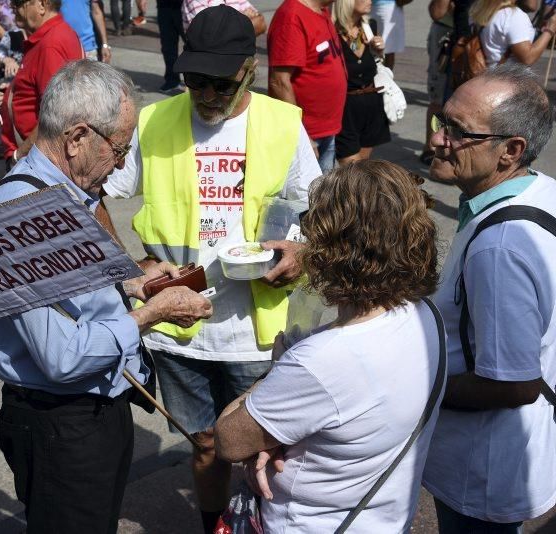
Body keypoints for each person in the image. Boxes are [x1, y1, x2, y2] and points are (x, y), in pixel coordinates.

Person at [103, 7, 321, 533]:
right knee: (203, 444)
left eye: (219, 83)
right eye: (194, 80)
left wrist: (303, 254)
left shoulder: (282, 124)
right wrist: (122, 266)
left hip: (255, 328)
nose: (206, 95)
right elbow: (95, 194)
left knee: (266, 449)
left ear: (249, 67)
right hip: (178, 330)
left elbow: (319, 209)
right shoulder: (155, 122)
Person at [0, 59, 213, 533]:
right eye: (119, 149)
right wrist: (152, 313)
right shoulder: (24, 216)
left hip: (97, 408)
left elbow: (73, 287)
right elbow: (62, 357)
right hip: (61, 426)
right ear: (76, 138)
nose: (124, 163)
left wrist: (133, 282)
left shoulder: (66, 193)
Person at [216, 160, 442, 532]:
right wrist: (279, 428)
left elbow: (228, 439)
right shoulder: (424, 315)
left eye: (310, 228)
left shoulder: (323, 359)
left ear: (331, 246)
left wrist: (275, 378)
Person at [422, 63, 556, 532]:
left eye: (459, 132)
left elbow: (512, 384)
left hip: (481, 475)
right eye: (442, 121)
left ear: (511, 151)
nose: (438, 138)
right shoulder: (543, 191)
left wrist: (413, 388)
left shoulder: (500, 249)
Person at [0, 0, 82, 165]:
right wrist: (9, 97)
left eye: (19, 3)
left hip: (38, 158)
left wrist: (19, 155)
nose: (14, 9)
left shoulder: (50, 45)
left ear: (42, 5)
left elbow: (57, 113)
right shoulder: (54, 34)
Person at [267, 0, 347, 173]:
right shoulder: (292, 16)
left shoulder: (321, 10)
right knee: (307, 197)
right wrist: (300, 135)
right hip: (306, 134)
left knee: (322, 194)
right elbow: (279, 81)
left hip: (326, 129)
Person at [332, 0, 390, 164]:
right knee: (351, 166)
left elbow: (372, 65)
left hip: (371, 104)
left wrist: (379, 52)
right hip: (345, 108)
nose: (370, 1)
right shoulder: (331, 31)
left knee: (363, 164)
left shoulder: (369, 26)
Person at [472, 0, 556, 68]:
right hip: (506, 81)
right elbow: (528, 58)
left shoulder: (483, 11)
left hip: (488, 75)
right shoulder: (512, 16)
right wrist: (550, 29)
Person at [419, 0, 453, 165]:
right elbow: (437, 12)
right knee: (438, 100)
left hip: (479, 35)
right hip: (447, 34)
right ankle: (431, 147)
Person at [181, 0, 266, 34]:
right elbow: (210, 34)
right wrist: (244, 17)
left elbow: (261, 24)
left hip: (238, 60)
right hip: (209, 64)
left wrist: (227, 25)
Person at [369, 0, 410, 71]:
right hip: (366, 5)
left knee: (388, 49)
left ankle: (386, 78)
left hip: (388, 7)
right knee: (367, 44)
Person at [156, 0, 184, 93]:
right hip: (164, 7)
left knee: (194, 45)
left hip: (185, 7)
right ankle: (172, 80)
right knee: (167, 46)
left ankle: (198, 81)